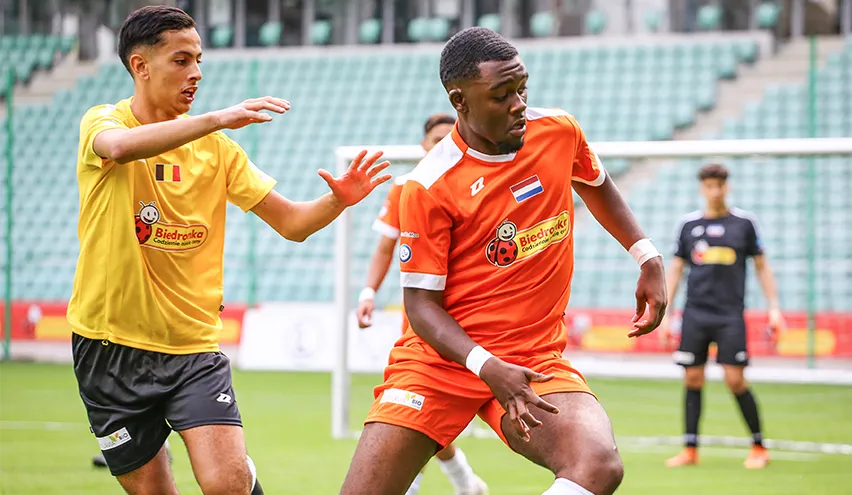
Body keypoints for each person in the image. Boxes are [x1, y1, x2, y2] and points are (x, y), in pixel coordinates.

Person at [69, 6, 390, 495]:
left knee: (227, 484)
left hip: (192, 348)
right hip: (109, 350)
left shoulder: (217, 150)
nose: (196, 72)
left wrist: (337, 201)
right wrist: (217, 118)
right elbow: (119, 148)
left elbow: (293, 224)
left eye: (199, 59)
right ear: (141, 66)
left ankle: (243, 473)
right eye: (181, 60)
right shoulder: (103, 122)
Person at [339, 27, 667, 495]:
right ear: (460, 100)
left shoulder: (558, 132)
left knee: (597, 464)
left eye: (522, 88)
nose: (519, 104)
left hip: (533, 358)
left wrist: (646, 255)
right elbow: (421, 306)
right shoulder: (429, 185)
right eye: (501, 95)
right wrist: (485, 365)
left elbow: (595, 183)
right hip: (440, 364)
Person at [357, 112, 489, 495]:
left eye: (452, 137)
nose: (443, 145)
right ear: (423, 145)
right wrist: (368, 292)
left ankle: (456, 482)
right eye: (436, 139)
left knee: (425, 413)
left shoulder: (479, 182)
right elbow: (385, 245)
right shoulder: (407, 186)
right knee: (415, 408)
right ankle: (463, 483)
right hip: (421, 320)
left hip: (474, 317)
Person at [658, 163, 784, 470]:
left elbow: (762, 266)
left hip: (729, 315)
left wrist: (774, 307)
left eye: (719, 185)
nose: (714, 191)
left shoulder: (744, 224)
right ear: (702, 188)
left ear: (727, 187)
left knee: (735, 379)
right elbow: (676, 269)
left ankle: (758, 446)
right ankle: (690, 449)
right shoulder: (688, 225)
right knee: (692, 377)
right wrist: (665, 314)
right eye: (709, 186)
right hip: (695, 314)